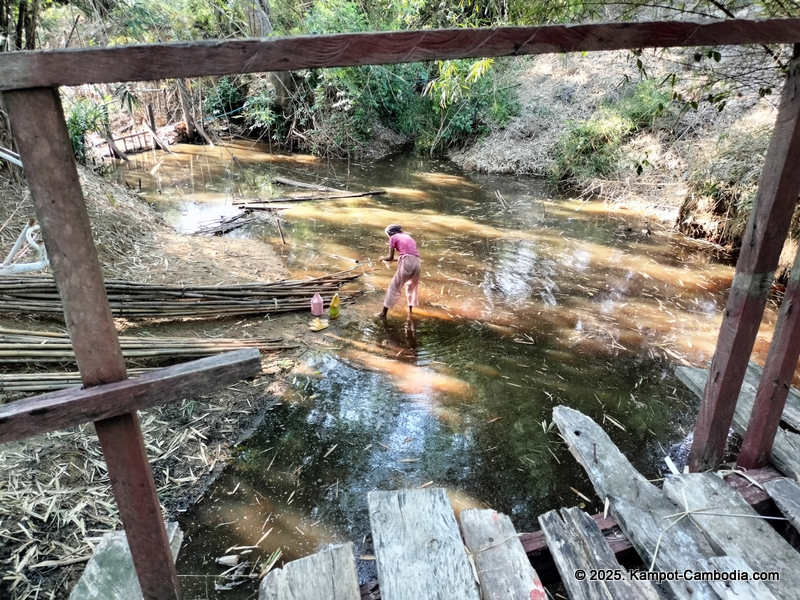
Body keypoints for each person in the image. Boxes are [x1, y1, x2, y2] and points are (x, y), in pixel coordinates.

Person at [377, 224, 420, 318]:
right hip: (417, 263)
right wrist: (392, 260)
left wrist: (382, 258)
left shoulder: (393, 237)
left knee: (393, 287)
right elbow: (409, 256)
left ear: (389, 233)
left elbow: (390, 257)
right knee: (412, 287)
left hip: (407, 263)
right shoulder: (407, 236)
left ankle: (383, 314)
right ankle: (410, 312)